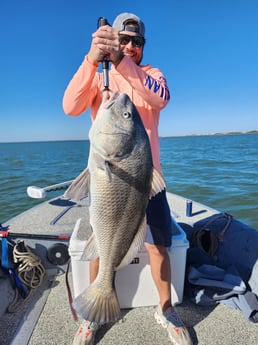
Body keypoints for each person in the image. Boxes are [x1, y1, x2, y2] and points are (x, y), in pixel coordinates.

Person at [63, 12, 192, 345]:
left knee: (159, 247)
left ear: (142, 46)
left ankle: (166, 309)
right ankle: (92, 315)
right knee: (99, 247)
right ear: (115, 39)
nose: (130, 46)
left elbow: (160, 98)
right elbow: (70, 106)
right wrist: (92, 59)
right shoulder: (97, 75)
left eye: (137, 41)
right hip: (108, 180)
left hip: (150, 180)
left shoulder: (151, 74)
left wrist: (120, 61)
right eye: (124, 40)